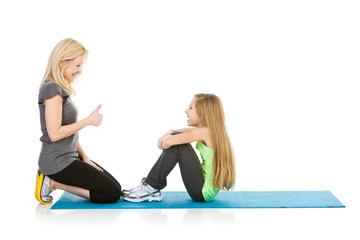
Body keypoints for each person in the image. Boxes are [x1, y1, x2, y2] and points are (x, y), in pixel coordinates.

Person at [35, 38, 122, 204]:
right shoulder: (51, 89)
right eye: (77, 66)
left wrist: (85, 158)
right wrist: (88, 121)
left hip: (70, 157)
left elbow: (69, 132)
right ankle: (52, 182)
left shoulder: (60, 90)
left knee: (115, 187)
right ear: (61, 62)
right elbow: (55, 134)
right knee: (111, 194)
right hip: (57, 163)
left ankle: (56, 179)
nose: (80, 71)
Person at [123, 94, 236, 202]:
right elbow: (173, 132)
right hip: (206, 191)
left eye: (191, 108)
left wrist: (167, 139)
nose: (186, 111)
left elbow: (169, 141)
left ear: (203, 112)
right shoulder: (209, 131)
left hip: (202, 191)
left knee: (179, 146)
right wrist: (168, 134)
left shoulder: (205, 132)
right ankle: (151, 186)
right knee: (178, 139)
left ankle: (151, 188)